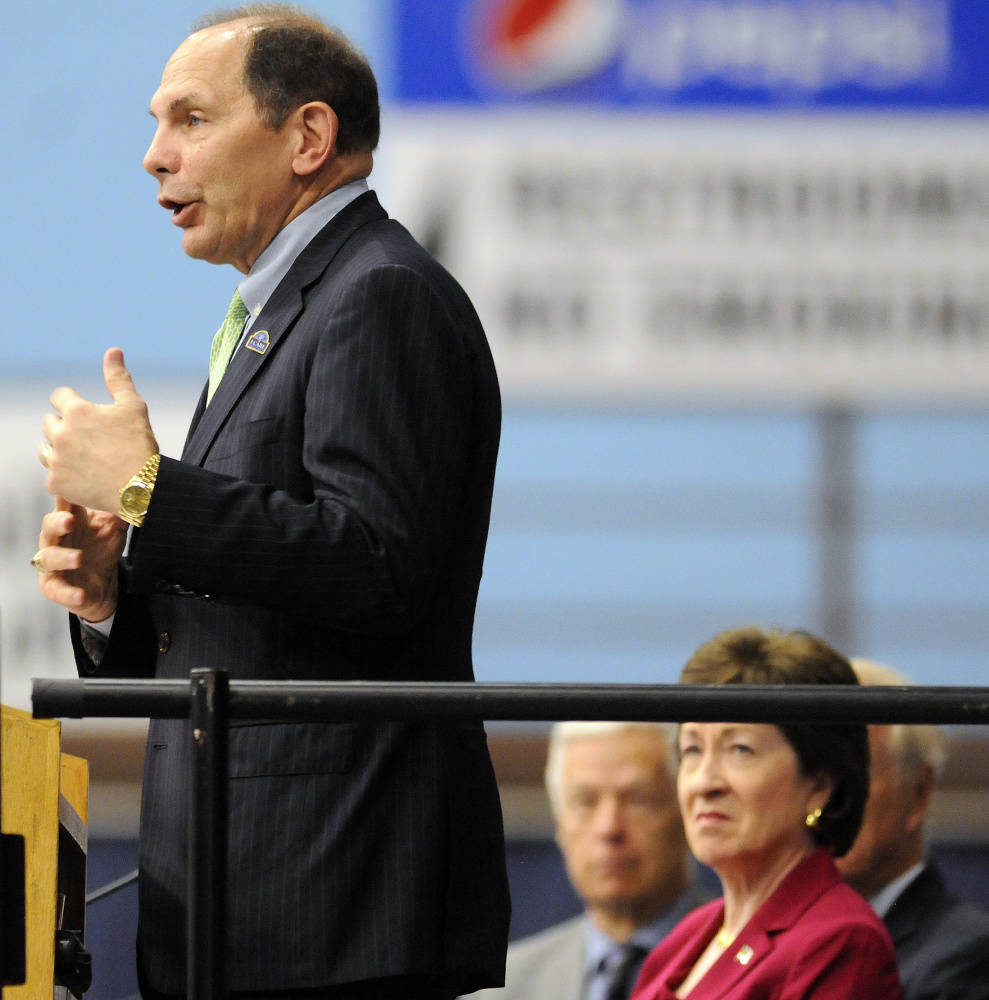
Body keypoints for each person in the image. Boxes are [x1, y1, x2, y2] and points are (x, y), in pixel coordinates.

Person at [33, 6, 510, 999]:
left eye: (191, 120)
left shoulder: (380, 295)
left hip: (338, 900)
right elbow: (246, 617)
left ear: (307, 137)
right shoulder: (275, 313)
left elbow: (378, 566)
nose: (154, 157)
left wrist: (147, 490)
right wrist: (113, 595)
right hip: (235, 900)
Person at [631, 627, 902, 1000]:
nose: (704, 782)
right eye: (692, 750)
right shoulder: (686, 937)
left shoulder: (843, 941)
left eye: (740, 750)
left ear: (819, 785)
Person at [474, 723, 710, 1000]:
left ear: (687, 813)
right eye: (585, 802)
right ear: (560, 825)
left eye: (638, 799)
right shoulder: (503, 990)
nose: (609, 828)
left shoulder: (748, 966)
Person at [836, 659, 989, 1000]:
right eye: (816, 774)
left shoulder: (969, 957)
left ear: (919, 791)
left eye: (858, 772)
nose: (832, 797)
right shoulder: (775, 939)